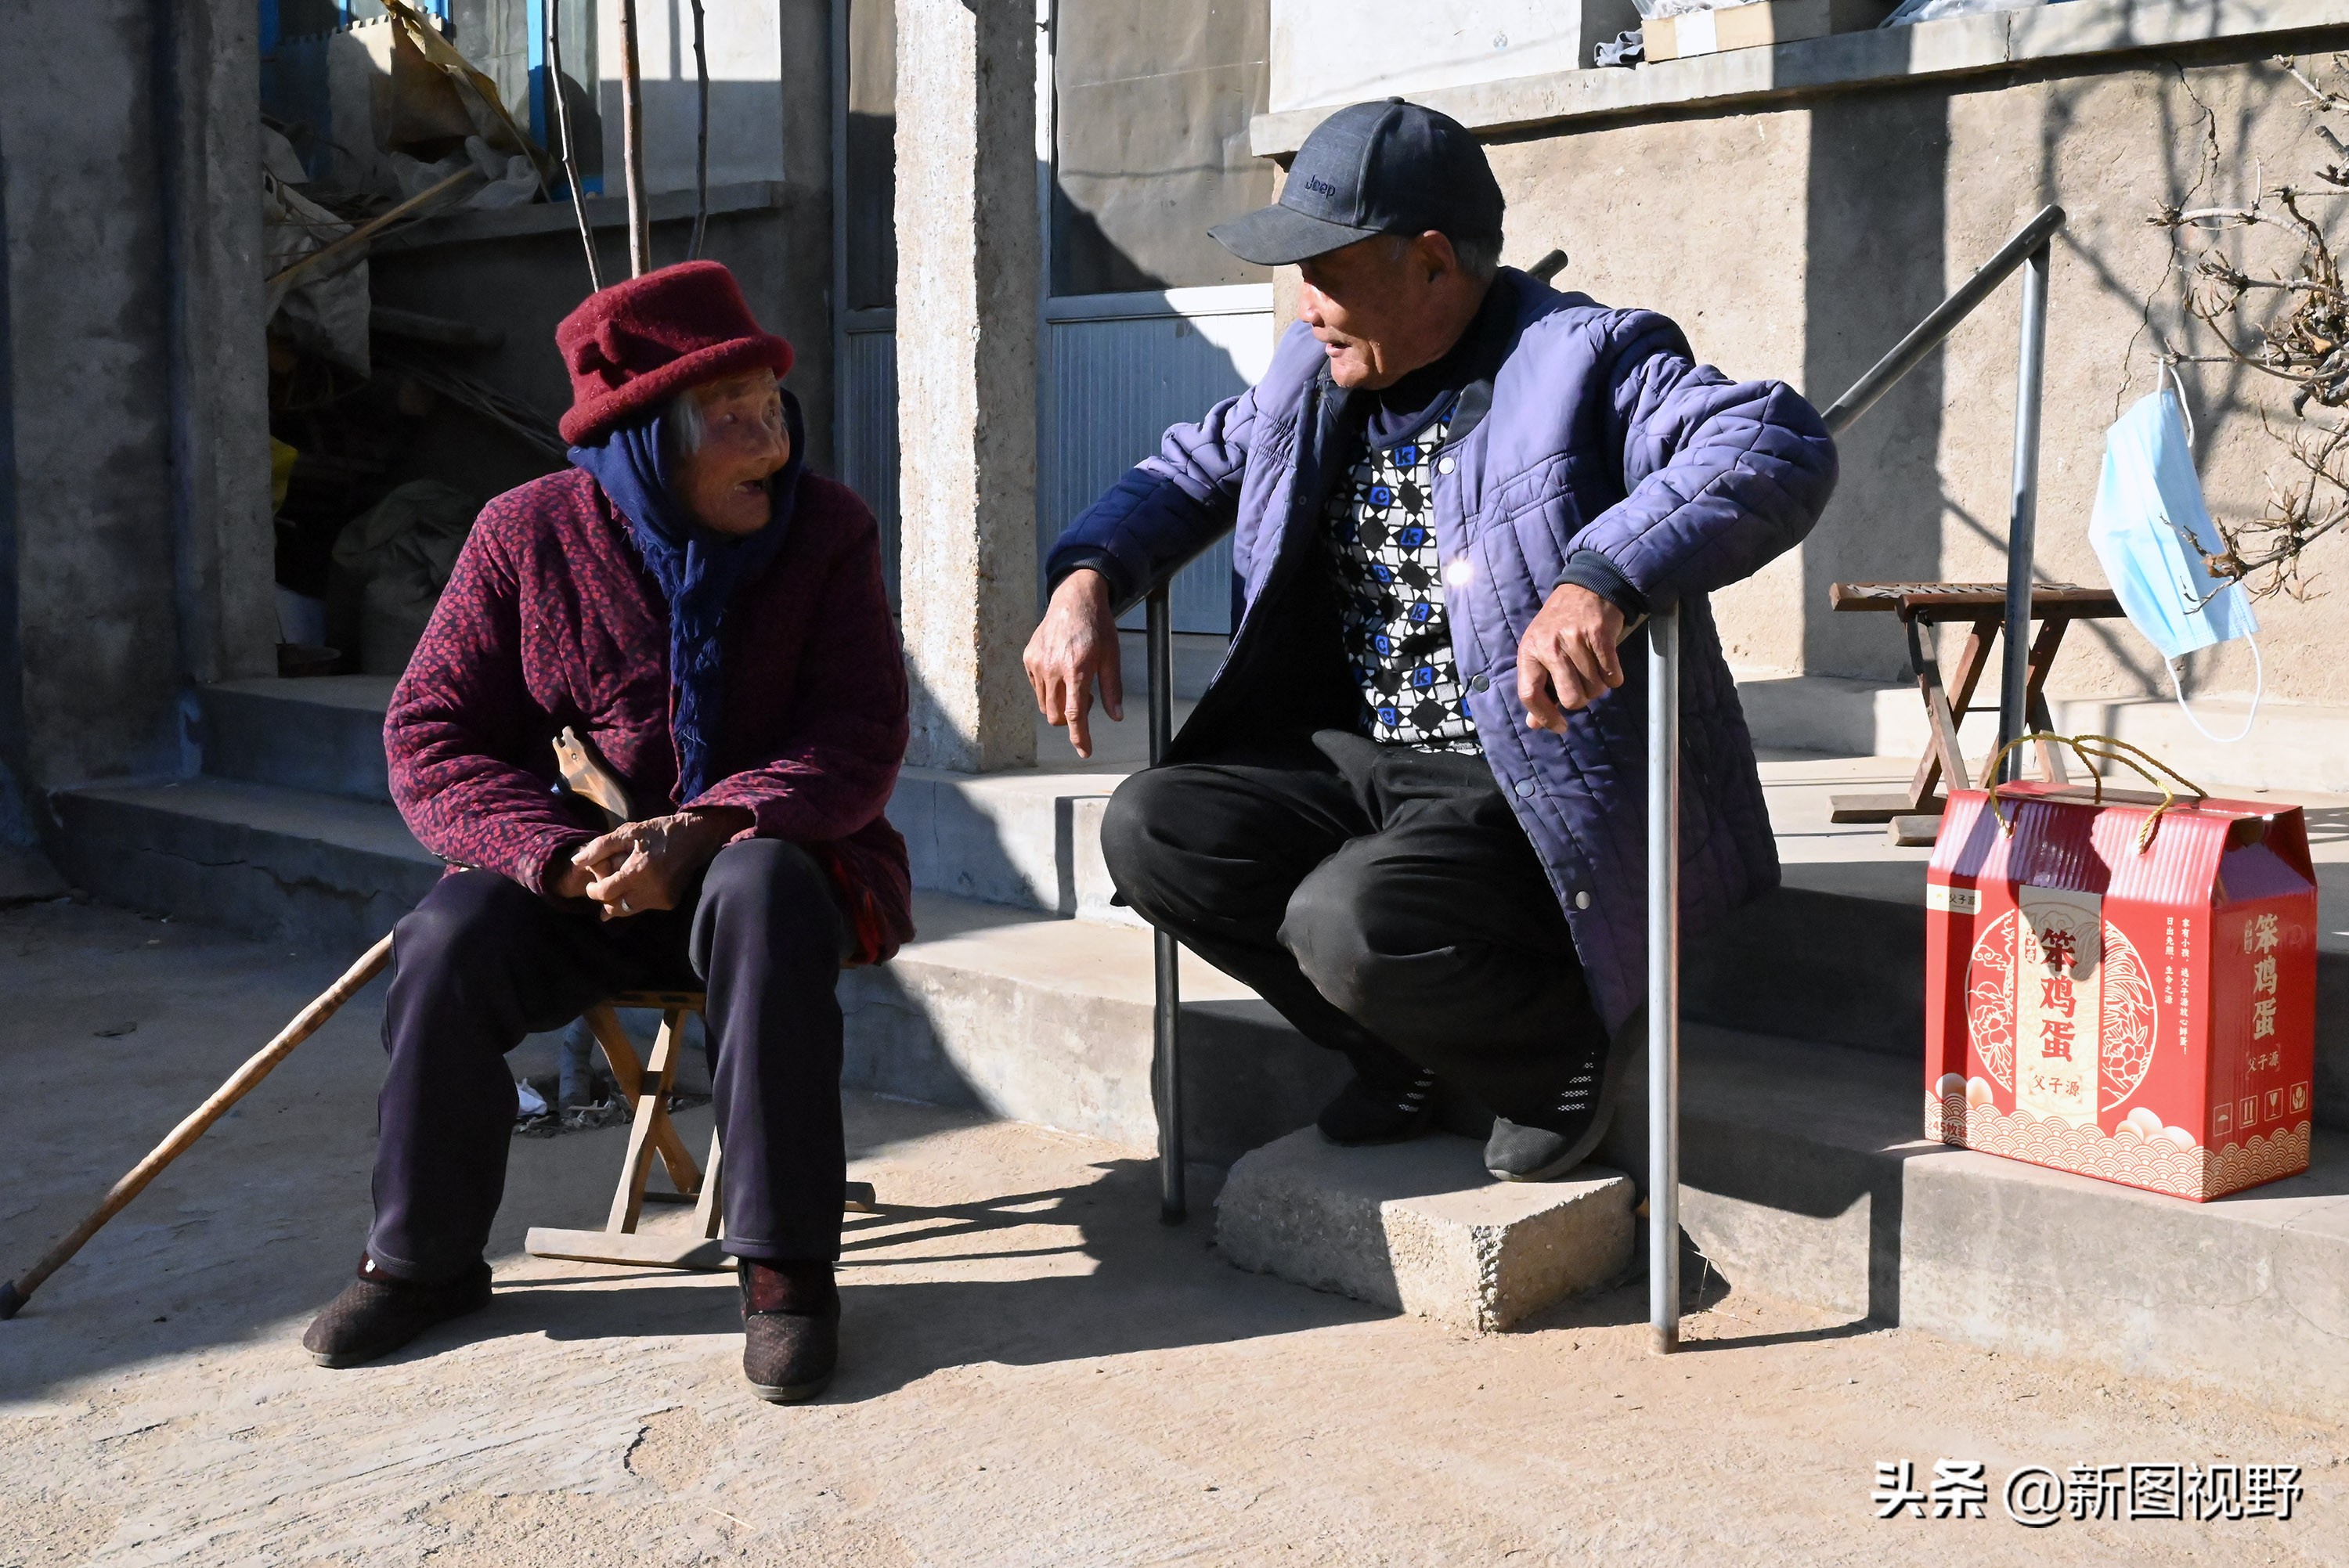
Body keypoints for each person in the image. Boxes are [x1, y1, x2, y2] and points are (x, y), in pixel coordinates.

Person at [1024, 100, 1836, 1181]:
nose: (1305, 305)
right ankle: (1396, 1050)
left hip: (1525, 782)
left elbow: (1769, 439)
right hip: (1364, 761)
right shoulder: (1306, 379)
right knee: (1154, 828)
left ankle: (1555, 1060)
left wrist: (1603, 577)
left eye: (1327, 271)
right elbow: (1181, 472)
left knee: (1345, 920)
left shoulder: (1583, 360)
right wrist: (1085, 582)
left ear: (1433, 263)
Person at [301, 261, 912, 1403]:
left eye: (770, 409)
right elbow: (432, 733)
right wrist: (549, 851)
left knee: (763, 890)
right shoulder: (526, 537)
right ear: (642, 440)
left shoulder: (828, 534)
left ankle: (785, 1272)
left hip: (775, 872)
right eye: (729, 420)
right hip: (597, 881)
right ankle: (422, 1261)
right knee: (447, 935)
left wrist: (715, 824)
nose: (770, 446)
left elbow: (861, 739)